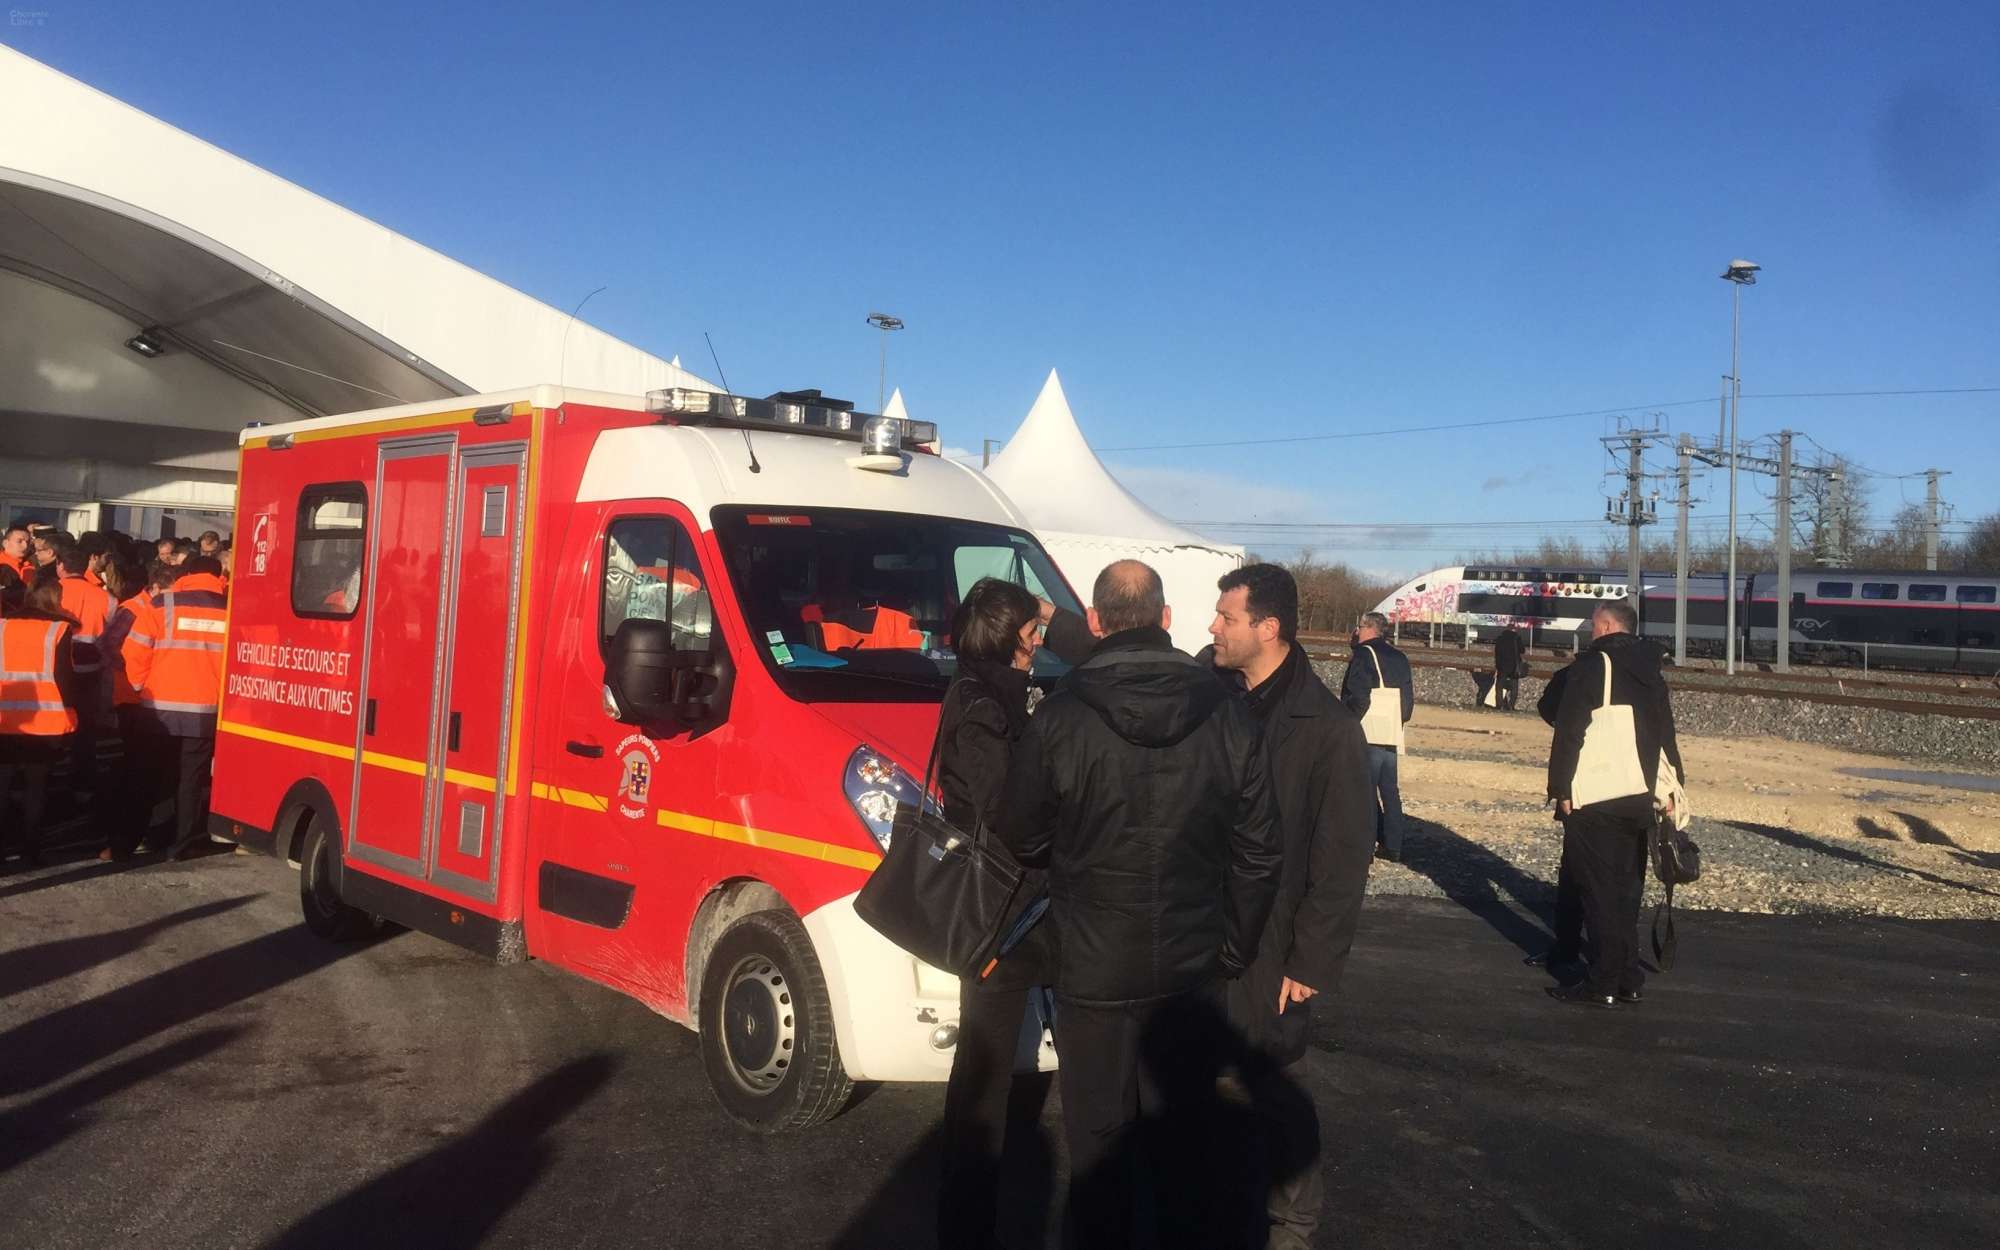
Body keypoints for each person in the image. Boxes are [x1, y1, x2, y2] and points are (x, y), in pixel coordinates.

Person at [999, 559, 1282, 1249]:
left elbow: (1021, 835)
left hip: (1093, 969)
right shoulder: (1229, 714)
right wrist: (1235, 945)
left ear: (1094, 622)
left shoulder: (1060, 717)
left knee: (1098, 1155)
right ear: (1165, 620)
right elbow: (1259, 850)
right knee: (1185, 1154)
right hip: (1191, 967)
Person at [1205, 564, 1376, 1250]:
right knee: (1200, 1073)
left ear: (1266, 629)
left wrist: (1310, 960)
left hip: (1275, 938)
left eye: (1226, 617)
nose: (1212, 627)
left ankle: (1293, 1221)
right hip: (1203, 925)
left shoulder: (1327, 729)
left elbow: (1342, 858)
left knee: (1273, 1080)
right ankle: (1213, 1206)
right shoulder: (1206, 693)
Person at [933, 579, 1092, 1250]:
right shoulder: (979, 705)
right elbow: (1008, 814)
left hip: (1023, 907)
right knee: (986, 1073)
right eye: (1031, 629)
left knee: (1012, 1066)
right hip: (1001, 911)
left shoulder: (996, 695)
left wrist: (1056, 624)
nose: (1038, 640)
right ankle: (967, 1227)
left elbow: (1096, 665)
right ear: (1006, 636)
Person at [1543, 598, 1684, 1007]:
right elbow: (1666, 733)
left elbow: (1569, 730)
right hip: (1640, 794)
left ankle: (1601, 982)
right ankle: (1628, 977)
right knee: (1626, 888)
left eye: (1593, 626)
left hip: (1597, 794)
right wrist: (1673, 788)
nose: (1592, 632)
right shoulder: (1650, 668)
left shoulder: (1593, 665)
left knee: (1598, 890)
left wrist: (1561, 787)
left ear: (1605, 626)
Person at [123, 554, 232, 860]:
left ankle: (151, 836)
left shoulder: (162, 605)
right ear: (219, 575)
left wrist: (139, 687)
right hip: (206, 711)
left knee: (157, 774)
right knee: (192, 779)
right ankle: (182, 843)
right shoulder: (232, 610)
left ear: (186, 574)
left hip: (159, 709)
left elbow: (134, 651)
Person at [0, 576, 80, 867]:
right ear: (54, 599)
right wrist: (71, 713)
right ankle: (31, 849)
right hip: (44, 719)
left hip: (3, 717)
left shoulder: (3, 625)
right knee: (37, 785)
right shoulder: (59, 630)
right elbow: (65, 679)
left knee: (2, 782)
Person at [1340, 612, 1414, 861]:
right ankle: (1393, 845)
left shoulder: (1363, 654)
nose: (1356, 631)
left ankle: (1365, 844)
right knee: (1390, 790)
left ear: (1370, 628)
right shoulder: (1400, 656)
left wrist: (1347, 722)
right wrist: (1398, 722)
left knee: (1364, 789)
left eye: (1359, 627)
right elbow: (1407, 701)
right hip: (1391, 731)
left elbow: (1359, 695)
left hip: (1368, 731)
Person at [56, 542, 117, 802]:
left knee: (54, 723)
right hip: (92, 667)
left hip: (57, 666)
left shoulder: (51, 592)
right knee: (86, 727)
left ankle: (47, 778)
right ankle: (82, 782)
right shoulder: (107, 597)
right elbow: (112, 635)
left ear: (60, 566)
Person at [1493, 624, 1526, 712]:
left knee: (1499, 686)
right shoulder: (1516, 638)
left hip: (1502, 666)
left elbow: (1496, 653)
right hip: (1514, 667)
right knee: (1514, 687)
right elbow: (1522, 650)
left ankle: (1499, 705)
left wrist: (1497, 665)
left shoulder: (1500, 638)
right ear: (1514, 630)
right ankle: (1511, 706)